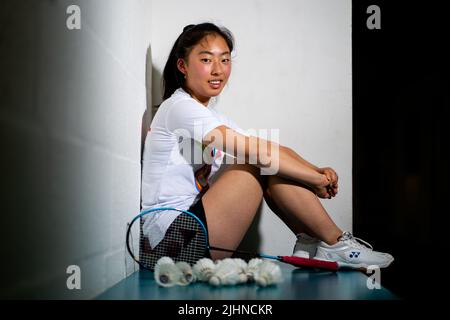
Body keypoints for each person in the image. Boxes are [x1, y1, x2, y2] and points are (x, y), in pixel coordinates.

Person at [140, 22, 394, 270]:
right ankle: (335, 242)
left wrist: (316, 170)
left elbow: (270, 148)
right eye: (206, 60)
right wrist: (314, 179)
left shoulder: (214, 118)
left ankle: (314, 241)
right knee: (256, 161)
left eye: (225, 60)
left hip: (191, 235)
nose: (218, 70)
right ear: (182, 66)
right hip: (167, 247)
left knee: (267, 160)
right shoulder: (179, 107)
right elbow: (257, 154)